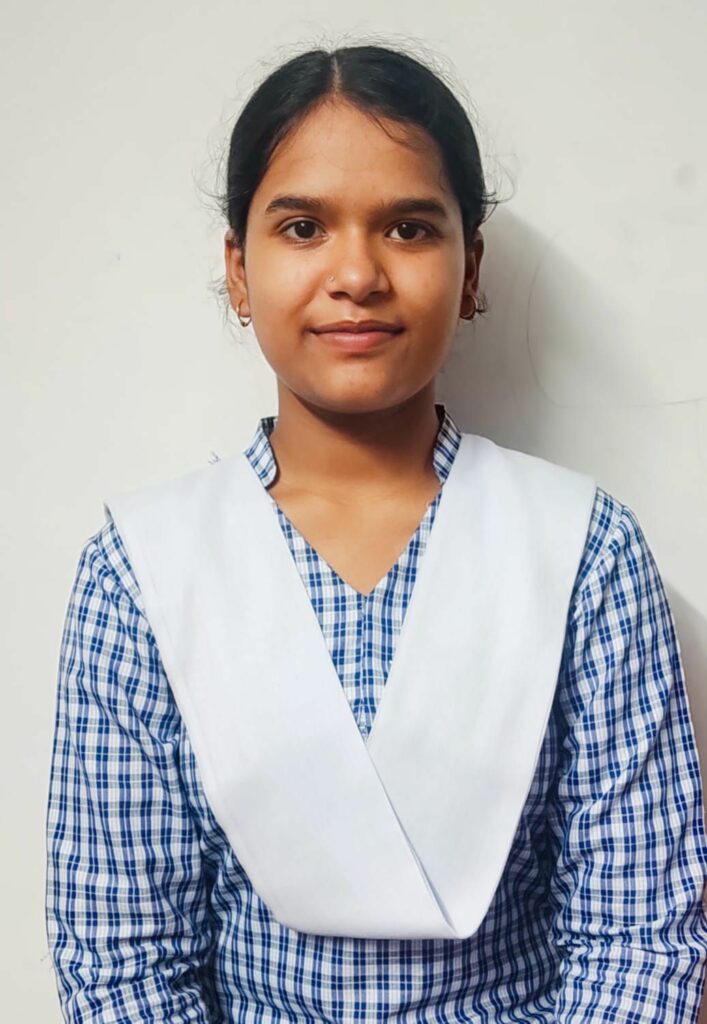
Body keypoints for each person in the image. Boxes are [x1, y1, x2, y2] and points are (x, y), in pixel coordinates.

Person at [45, 42, 707, 1023]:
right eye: (302, 227)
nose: (355, 273)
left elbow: (639, 941)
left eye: (407, 227)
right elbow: (123, 967)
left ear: (470, 268)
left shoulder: (581, 553)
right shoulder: (143, 573)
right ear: (238, 271)